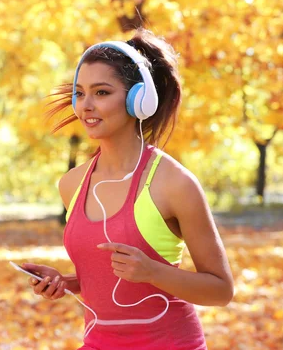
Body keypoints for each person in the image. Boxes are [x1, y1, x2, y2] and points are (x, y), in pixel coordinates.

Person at [21, 28, 234, 350]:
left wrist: (153, 272)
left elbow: (220, 291)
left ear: (138, 99)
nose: (86, 105)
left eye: (102, 93)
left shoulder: (174, 183)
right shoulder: (71, 184)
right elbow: (109, 279)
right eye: (80, 93)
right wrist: (66, 283)